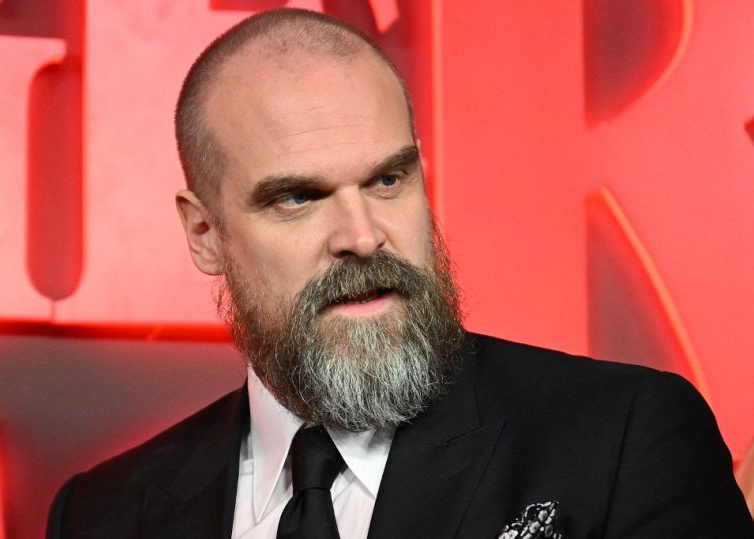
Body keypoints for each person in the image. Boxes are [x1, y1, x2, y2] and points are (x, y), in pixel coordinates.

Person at [47, 8, 753, 538]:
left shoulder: (624, 440)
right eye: (298, 197)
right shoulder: (101, 513)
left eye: (388, 180)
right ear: (204, 232)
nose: (362, 237)